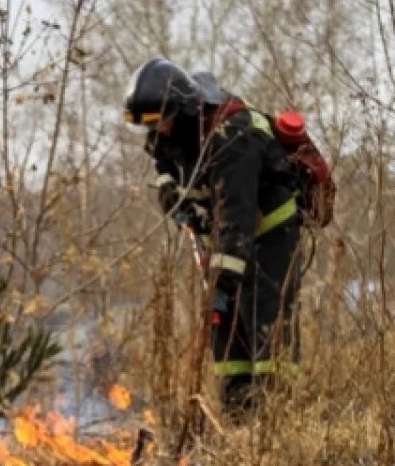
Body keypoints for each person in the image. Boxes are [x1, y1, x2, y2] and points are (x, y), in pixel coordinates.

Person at [123, 57, 303, 419]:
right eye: (150, 126)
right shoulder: (171, 131)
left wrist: (222, 282)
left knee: (263, 322)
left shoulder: (232, 136)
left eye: (162, 122)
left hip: (270, 233)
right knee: (227, 332)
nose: (160, 132)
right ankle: (239, 420)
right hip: (226, 237)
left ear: (185, 109)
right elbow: (164, 169)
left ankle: (277, 422)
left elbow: (234, 215)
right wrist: (172, 197)